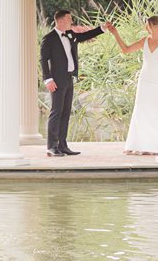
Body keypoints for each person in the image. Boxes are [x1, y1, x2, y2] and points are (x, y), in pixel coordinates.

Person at [40, 11, 109, 157]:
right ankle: (51, 147)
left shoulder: (71, 34)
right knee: (56, 112)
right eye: (69, 19)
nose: (71, 21)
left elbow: (85, 36)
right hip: (56, 80)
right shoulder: (49, 38)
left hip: (69, 78)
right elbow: (43, 60)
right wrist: (48, 79)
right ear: (61, 20)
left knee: (66, 112)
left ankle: (62, 145)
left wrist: (102, 28)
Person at [108, 17, 158, 155]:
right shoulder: (145, 41)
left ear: (155, 25)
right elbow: (126, 49)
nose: (146, 27)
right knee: (141, 109)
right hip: (145, 80)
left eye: (147, 25)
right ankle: (136, 144)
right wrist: (115, 33)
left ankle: (157, 146)